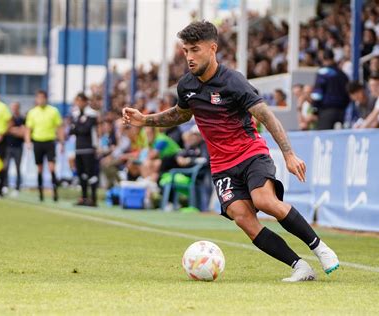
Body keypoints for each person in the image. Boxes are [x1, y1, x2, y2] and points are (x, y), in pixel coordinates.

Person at [123, 21, 339, 282]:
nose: (190, 57)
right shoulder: (186, 86)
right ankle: (299, 266)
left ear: (212, 48)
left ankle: (319, 247)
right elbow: (181, 114)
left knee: (264, 202)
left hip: (250, 153)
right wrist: (144, 119)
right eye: (186, 51)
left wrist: (289, 154)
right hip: (222, 165)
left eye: (195, 50)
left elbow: (267, 116)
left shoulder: (233, 81)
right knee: (243, 218)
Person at [25, 90, 64, 202]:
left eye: (43, 98)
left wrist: (62, 142)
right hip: (37, 142)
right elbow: (28, 129)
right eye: (39, 98)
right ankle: (40, 193)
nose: (41, 100)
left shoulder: (53, 111)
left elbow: (59, 127)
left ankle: (55, 193)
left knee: (52, 167)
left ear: (46, 98)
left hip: (50, 141)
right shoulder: (32, 112)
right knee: (39, 168)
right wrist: (28, 141)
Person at [69, 93, 99, 207]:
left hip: (89, 147)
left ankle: (94, 198)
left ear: (86, 101)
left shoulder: (92, 114)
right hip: (78, 147)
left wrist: (77, 127)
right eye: (77, 101)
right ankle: (84, 197)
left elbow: (85, 130)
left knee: (91, 174)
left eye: (80, 101)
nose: (79, 103)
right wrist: (78, 127)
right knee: (81, 174)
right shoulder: (76, 114)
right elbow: (72, 130)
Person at [311, 49, 350, 129]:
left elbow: (317, 94)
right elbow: (348, 93)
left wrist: (315, 110)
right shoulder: (342, 74)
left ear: (323, 59)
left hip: (326, 112)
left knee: (324, 138)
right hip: (342, 112)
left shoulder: (322, 73)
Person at [5, 102, 26, 196]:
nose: (14, 109)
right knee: (6, 167)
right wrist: (16, 130)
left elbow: (24, 132)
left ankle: (17, 188)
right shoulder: (9, 119)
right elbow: (7, 129)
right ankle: (5, 186)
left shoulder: (22, 119)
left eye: (16, 107)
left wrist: (14, 130)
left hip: (18, 147)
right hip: (8, 146)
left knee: (18, 167)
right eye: (13, 107)